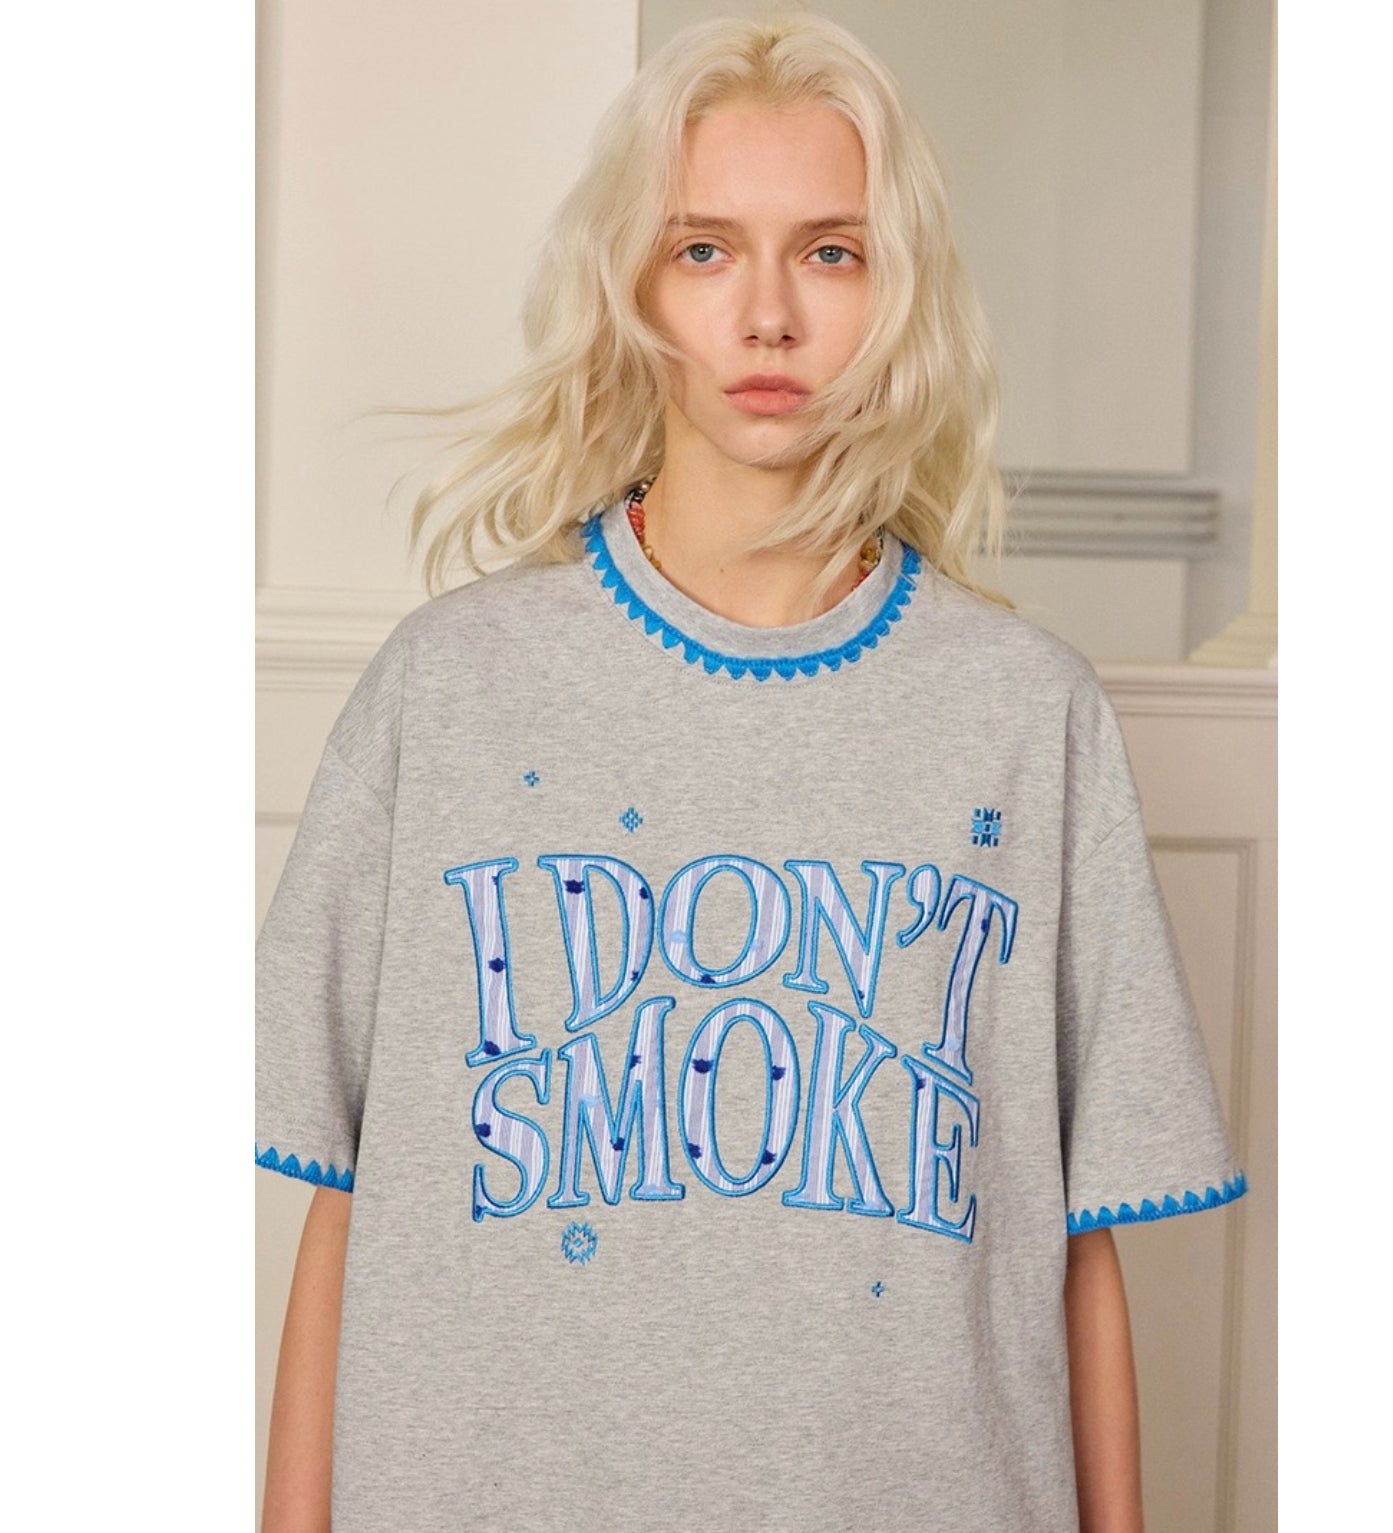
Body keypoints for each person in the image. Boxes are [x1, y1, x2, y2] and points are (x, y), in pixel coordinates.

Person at [257, 13, 1244, 1531]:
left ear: (898, 296)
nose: (767, 316)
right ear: (630, 286)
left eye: (831, 253)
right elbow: (347, 1194)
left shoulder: (1021, 712)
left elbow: (1074, 1237)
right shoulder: (449, 691)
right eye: (704, 250)